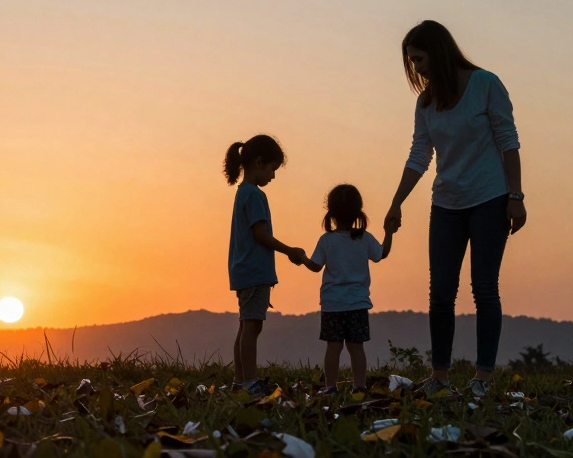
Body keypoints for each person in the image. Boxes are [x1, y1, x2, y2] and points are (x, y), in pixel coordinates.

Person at [382, 20, 525, 398]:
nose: (416, 68)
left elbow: (509, 142)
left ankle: (482, 377)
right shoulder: (426, 102)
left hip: (490, 200)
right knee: (441, 292)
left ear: (439, 51)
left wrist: (516, 196)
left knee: (484, 288)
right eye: (411, 62)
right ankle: (440, 376)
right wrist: (397, 201)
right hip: (445, 204)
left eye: (419, 59)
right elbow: (419, 155)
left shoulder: (486, 85)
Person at [223, 135, 308, 395]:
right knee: (252, 327)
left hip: (243, 269)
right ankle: (250, 382)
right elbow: (261, 235)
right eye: (272, 169)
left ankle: (240, 381)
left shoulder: (243, 193)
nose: (273, 176)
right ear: (259, 162)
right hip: (254, 271)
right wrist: (289, 251)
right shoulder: (255, 195)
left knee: (245, 325)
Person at [302, 184, 394, 394]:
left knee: (333, 347)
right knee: (356, 347)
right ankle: (359, 386)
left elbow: (315, 266)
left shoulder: (326, 240)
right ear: (358, 213)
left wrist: (301, 258)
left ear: (331, 214)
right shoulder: (365, 238)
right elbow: (382, 254)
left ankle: (331, 387)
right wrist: (389, 232)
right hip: (357, 303)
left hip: (332, 304)